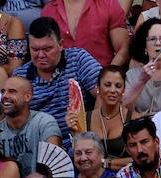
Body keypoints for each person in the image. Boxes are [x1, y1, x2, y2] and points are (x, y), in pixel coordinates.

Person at [15, 16, 101, 147]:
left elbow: (103, 93)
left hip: (82, 141)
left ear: (60, 45)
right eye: (35, 50)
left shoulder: (78, 59)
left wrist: (93, 130)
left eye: (47, 49)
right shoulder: (20, 76)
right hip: (41, 146)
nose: (41, 55)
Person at [0, 76, 60, 178]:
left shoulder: (44, 122)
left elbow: (53, 164)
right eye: (3, 91)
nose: (5, 96)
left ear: (27, 97)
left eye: (12, 91)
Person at [40, 0, 126, 67]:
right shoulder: (48, 11)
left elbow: (123, 49)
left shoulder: (109, 4)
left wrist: (107, 77)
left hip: (100, 78)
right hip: (61, 82)